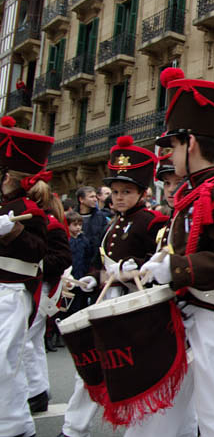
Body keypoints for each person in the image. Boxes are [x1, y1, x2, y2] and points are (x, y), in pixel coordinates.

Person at [140, 67, 214, 437]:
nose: (169, 155)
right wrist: (162, 262)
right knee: (170, 402)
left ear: (189, 144)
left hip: (213, 315)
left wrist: (176, 267)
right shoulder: (194, 193)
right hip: (189, 310)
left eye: (172, 147)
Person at [61, 137, 171, 437]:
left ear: (142, 193)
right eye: (116, 192)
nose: (119, 198)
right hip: (109, 299)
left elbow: (161, 262)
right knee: (94, 365)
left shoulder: (152, 222)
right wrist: (93, 278)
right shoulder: (113, 224)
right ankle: (73, 427)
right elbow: (103, 262)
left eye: (127, 192)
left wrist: (137, 266)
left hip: (135, 306)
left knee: (135, 369)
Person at [0, 115, 52, 437]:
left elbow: (38, 251)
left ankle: (16, 426)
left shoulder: (29, 209)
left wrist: (13, 231)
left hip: (14, 292)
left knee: (5, 361)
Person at [24, 176, 72, 414]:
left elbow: (62, 259)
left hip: (43, 289)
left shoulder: (50, 225)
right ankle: (38, 389)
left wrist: (33, 262)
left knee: (24, 340)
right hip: (32, 287)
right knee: (32, 342)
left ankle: (35, 391)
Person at [76, 185, 107, 266]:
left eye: (95, 197)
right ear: (81, 199)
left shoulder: (100, 217)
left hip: (95, 260)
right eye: (91, 197)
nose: (95, 199)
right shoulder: (72, 217)